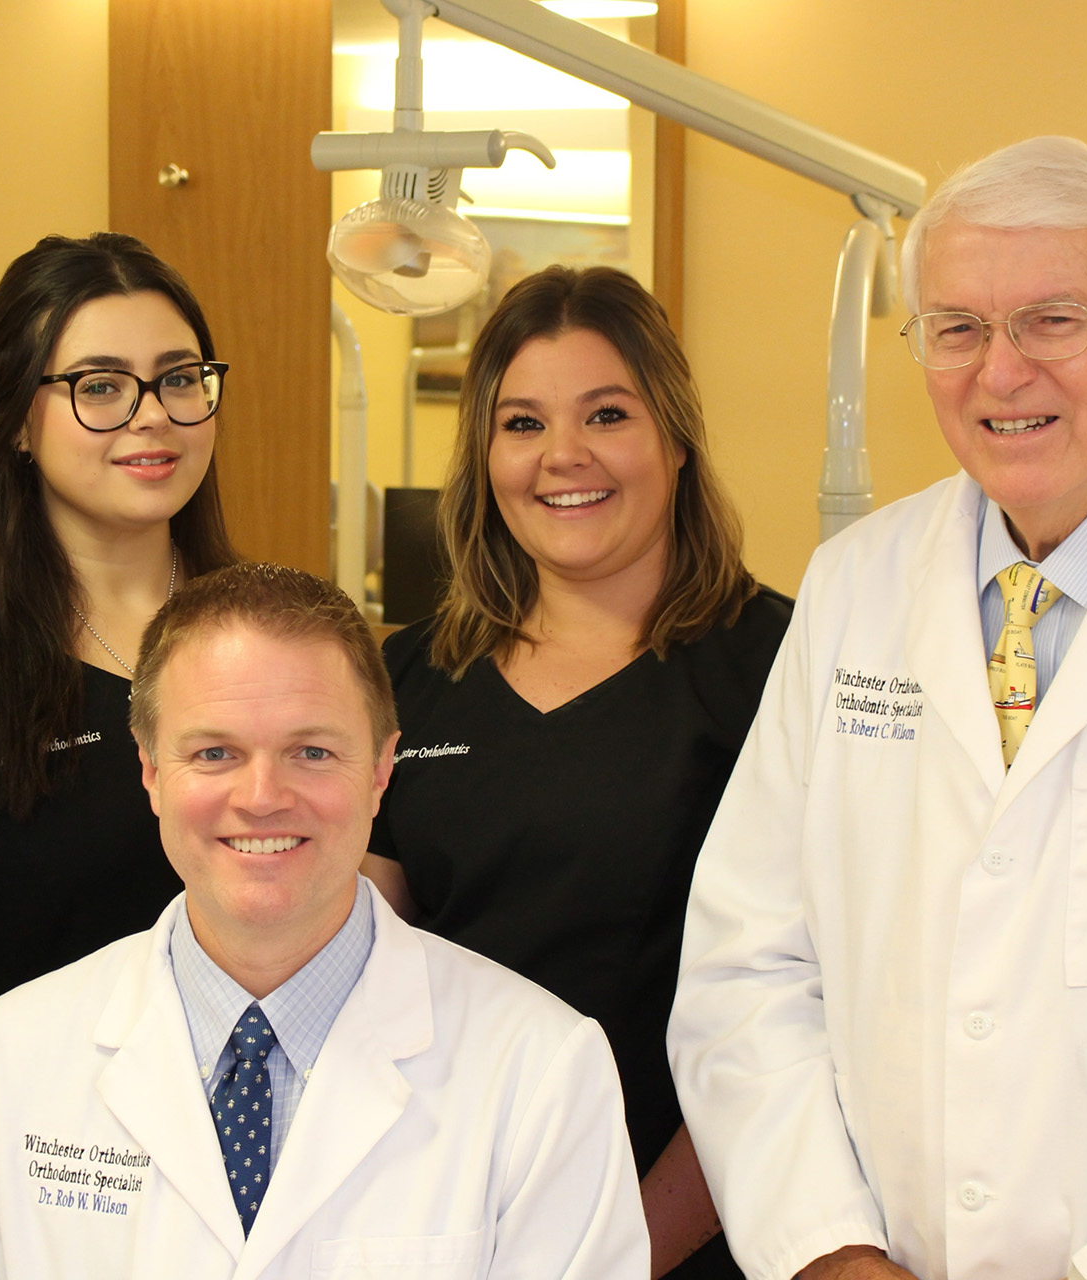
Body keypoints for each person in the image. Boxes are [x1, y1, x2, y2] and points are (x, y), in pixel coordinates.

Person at [669, 135, 1087, 1280]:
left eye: (1054, 319)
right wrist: (828, 1247)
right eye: (958, 328)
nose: (1000, 371)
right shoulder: (857, 586)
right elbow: (747, 965)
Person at [0, 563, 649, 1278]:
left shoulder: (542, 1072)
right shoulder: (1, 1064)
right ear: (151, 769)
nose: (262, 796)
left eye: (312, 752)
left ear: (383, 768)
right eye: (215, 752)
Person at [362, 265, 789, 1279]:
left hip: (687, 1227)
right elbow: (363, 971)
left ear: (676, 438)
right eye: (521, 423)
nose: (563, 456)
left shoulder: (779, 668)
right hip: (449, 1222)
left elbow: (804, 1015)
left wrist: (617, 1252)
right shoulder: (408, 676)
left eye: (607, 412)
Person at [0, 232, 238, 1022]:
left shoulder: (277, 640)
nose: (153, 415)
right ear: (16, 422)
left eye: (179, 378)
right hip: (27, 1129)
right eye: (100, 386)